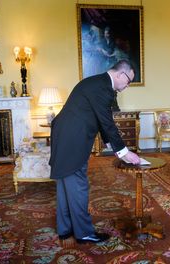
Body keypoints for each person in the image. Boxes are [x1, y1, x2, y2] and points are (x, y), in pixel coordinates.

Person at [49, 59, 141, 245]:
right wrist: (124, 152)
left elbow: (98, 119)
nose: (127, 86)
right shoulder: (102, 87)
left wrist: (110, 145)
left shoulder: (98, 83)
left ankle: (65, 229)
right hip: (72, 140)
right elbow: (107, 122)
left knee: (66, 185)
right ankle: (84, 234)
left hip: (65, 136)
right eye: (128, 81)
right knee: (78, 187)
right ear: (119, 74)